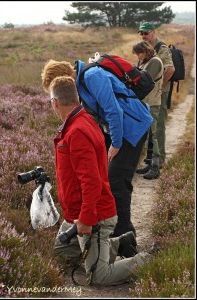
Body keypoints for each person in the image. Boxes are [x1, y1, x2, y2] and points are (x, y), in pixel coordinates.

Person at [46, 75, 154, 286]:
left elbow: (91, 181)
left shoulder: (77, 131)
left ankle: (146, 260)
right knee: (62, 250)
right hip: (77, 213)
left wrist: (86, 218)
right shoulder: (82, 119)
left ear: (55, 102)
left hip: (95, 216)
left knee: (98, 277)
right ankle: (118, 244)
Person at [41, 58, 153, 241]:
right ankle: (113, 234)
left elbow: (114, 111)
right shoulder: (83, 83)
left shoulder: (92, 77)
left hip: (133, 128)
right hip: (120, 130)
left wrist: (115, 145)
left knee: (117, 182)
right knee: (108, 179)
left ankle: (125, 237)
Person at [138, 22, 175, 168]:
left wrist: (158, 87)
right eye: (141, 33)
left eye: (146, 33)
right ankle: (151, 158)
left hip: (160, 94)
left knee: (158, 126)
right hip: (150, 95)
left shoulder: (162, 49)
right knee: (150, 126)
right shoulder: (146, 49)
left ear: (153, 32)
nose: (143, 36)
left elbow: (170, 70)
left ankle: (159, 160)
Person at [132, 41, 164, 179]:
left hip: (152, 102)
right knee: (148, 135)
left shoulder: (155, 62)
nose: (138, 56)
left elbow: (143, 80)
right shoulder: (147, 61)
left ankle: (155, 167)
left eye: (139, 53)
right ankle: (150, 163)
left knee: (153, 134)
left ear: (145, 51)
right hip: (147, 102)